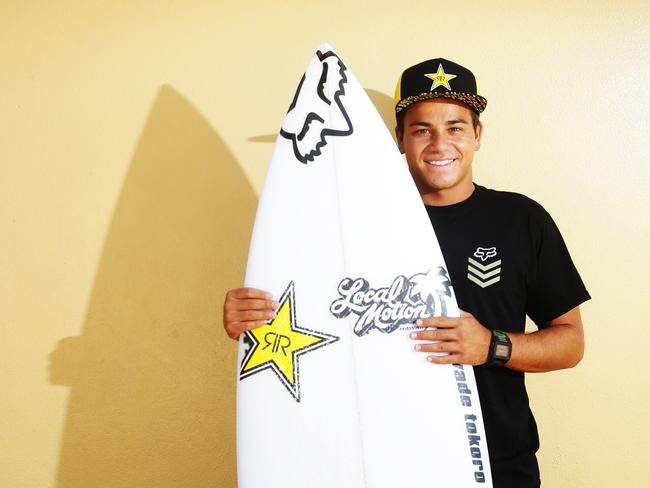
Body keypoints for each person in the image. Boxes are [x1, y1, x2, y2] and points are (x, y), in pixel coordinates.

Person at [222, 57, 590, 488]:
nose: (439, 144)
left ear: (477, 135)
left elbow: (570, 342)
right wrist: (252, 321)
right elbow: (311, 330)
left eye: (455, 127)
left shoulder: (522, 219)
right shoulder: (352, 228)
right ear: (398, 139)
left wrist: (492, 345)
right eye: (421, 130)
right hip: (384, 462)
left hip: (497, 466)